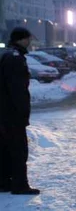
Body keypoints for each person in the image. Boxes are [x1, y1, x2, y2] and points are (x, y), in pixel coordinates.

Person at [0, 27, 41, 195]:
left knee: (4, 148)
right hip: (12, 113)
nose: (30, 42)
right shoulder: (16, 59)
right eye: (28, 39)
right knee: (18, 149)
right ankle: (20, 185)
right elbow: (18, 91)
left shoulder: (6, 55)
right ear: (22, 39)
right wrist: (23, 114)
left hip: (3, 112)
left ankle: (4, 182)